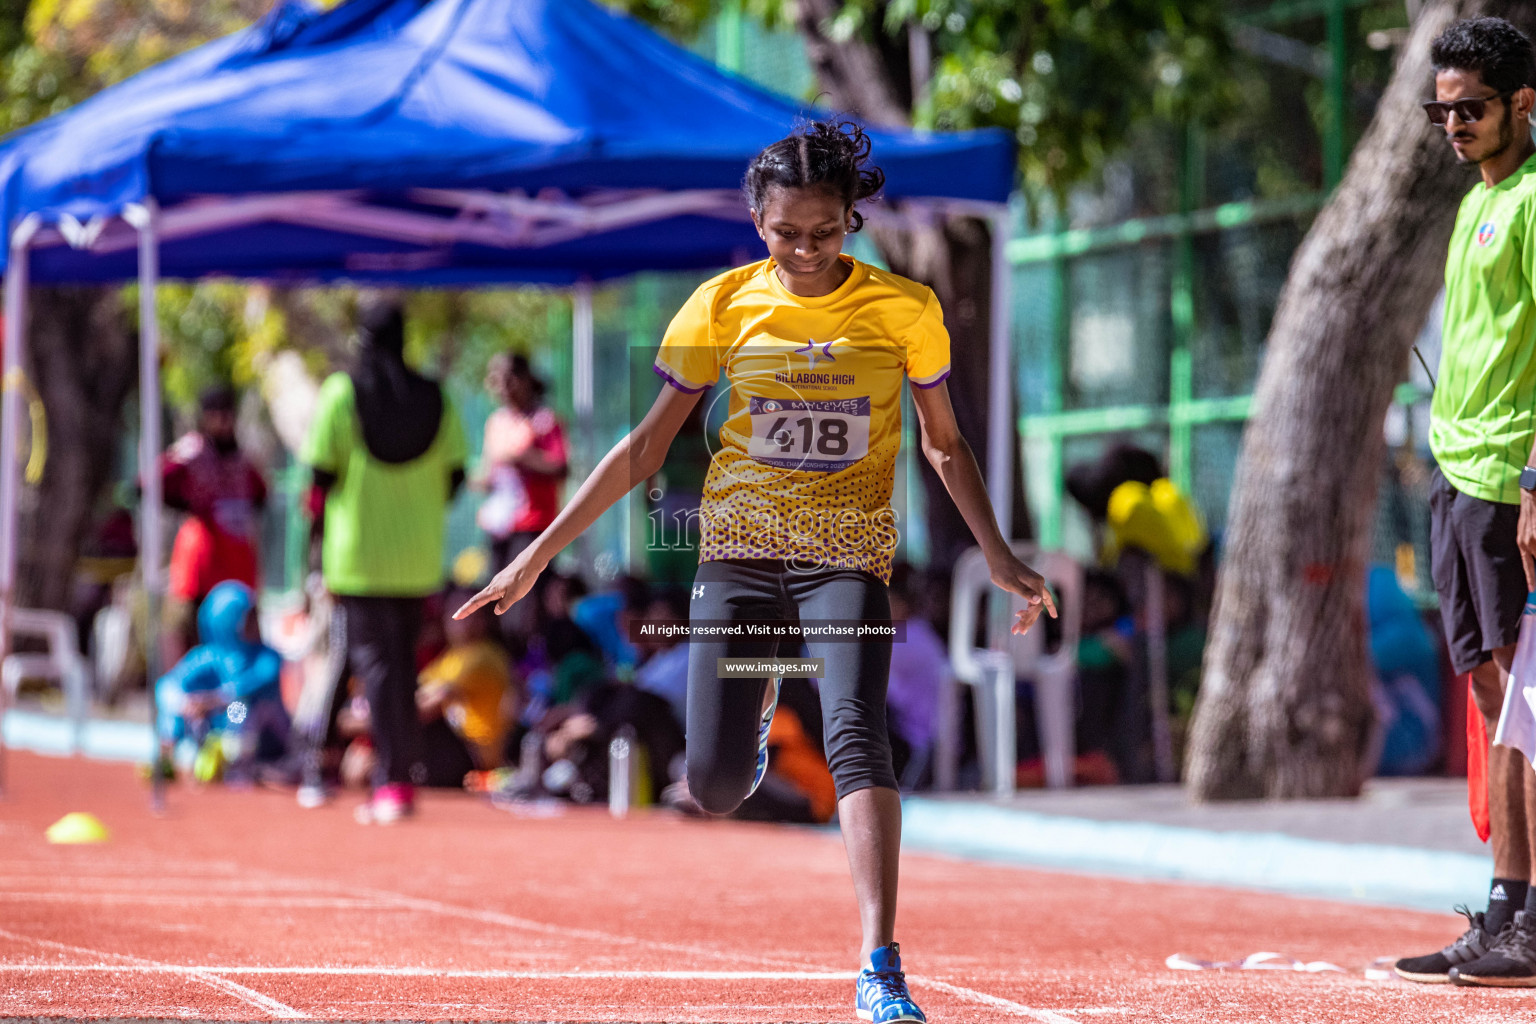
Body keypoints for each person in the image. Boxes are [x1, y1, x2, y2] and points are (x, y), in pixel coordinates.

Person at [458, 119, 1055, 1024]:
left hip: (845, 558)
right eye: (787, 232)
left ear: (853, 219)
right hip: (735, 557)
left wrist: (999, 554)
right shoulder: (721, 306)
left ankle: (880, 963)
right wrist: (539, 553)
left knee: (858, 735)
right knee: (718, 781)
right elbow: (647, 448)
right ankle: (761, 686)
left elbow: (943, 445)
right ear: (756, 221)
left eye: (826, 230)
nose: (807, 250)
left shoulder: (905, 310)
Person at [1395, 17, 1536, 988]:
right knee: (1491, 699)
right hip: (1455, 480)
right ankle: (1504, 907)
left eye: (1471, 108)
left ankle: (1528, 917)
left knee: (1524, 707)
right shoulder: (1475, 203)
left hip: (1506, 481)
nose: (1453, 124)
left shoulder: (1531, 201)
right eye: (1440, 109)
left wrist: (1533, 483)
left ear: (1523, 105)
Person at [303, 296, 467, 825]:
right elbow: (457, 476)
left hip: (358, 558)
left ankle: (392, 781)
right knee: (400, 670)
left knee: (374, 670)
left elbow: (319, 479)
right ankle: (398, 776)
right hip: (417, 559)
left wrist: (316, 551)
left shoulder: (341, 393)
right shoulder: (437, 398)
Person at [161, 386, 268, 665]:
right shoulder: (192, 452)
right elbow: (151, 485)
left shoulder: (243, 459)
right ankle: (196, 705)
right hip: (200, 568)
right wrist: (191, 506)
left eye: (227, 414)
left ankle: (234, 710)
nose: (222, 421)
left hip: (237, 569)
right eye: (215, 414)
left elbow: (260, 494)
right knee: (195, 645)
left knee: (240, 649)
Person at [154, 580, 288, 782]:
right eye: (247, 617)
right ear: (228, 620)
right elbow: (167, 686)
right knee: (177, 705)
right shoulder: (208, 656)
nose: (255, 623)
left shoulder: (267, 657)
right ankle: (170, 758)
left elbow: (245, 689)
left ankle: (238, 765)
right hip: (214, 732)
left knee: (240, 709)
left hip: (263, 741)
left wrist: (209, 701)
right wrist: (186, 704)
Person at [477, 352, 568, 638]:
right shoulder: (496, 422)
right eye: (495, 379)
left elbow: (560, 466)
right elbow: (489, 471)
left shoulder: (544, 420)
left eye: (508, 378)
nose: (502, 386)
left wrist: (523, 458)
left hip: (532, 526)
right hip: (500, 526)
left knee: (526, 609)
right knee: (496, 603)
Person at [415, 588, 519, 787]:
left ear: (482, 620)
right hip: (459, 750)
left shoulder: (483, 656)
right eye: (453, 610)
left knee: (426, 728)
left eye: (466, 611)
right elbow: (416, 694)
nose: (456, 617)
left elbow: (425, 708)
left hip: (477, 754)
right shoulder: (449, 657)